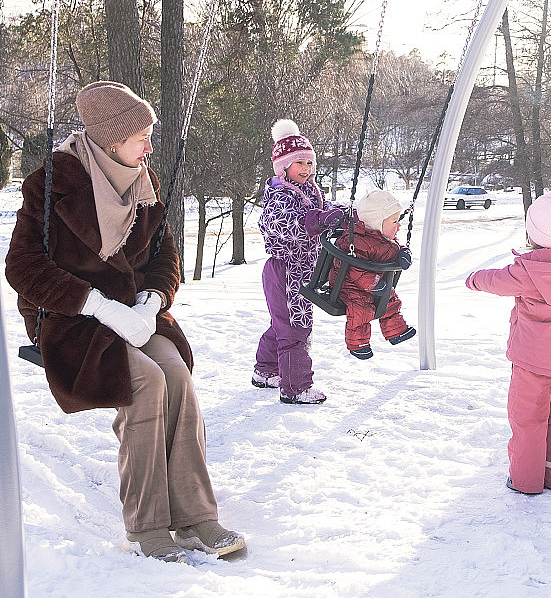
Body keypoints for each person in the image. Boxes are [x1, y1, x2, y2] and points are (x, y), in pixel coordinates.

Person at [5, 81, 244, 563]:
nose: (149, 147)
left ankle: (197, 516)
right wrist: (97, 304)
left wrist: (152, 301)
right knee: (146, 383)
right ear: (111, 140)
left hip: (134, 312)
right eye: (141, 137)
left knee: (176, 376)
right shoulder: (53, 181)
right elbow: (22, 266)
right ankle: (148, 526)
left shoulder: (145, 183)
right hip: (74, 319)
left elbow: (165, 260)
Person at [465, 189, 551, 494]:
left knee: (528, 420)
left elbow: (495, 280)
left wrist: (474, 279)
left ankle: (526, 481)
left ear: (535, 233)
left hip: (534, 362)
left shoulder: (528, 271)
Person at [252, 118, 342, 404]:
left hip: (304, 268)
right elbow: (282, 224)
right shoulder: (279, 195)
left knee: (284, 322)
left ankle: (265, 371)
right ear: (283, 167)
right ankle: (296, 387)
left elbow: (324, 211)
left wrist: (340, 213)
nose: (305, 169)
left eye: (309, 163)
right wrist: (316, 221)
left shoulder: (311, 191)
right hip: (285, 268)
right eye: (299, 163)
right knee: (295, 327)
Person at [328, 190, 416, 360]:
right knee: (361, 309)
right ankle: (358, 344)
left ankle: (395, 331)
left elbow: (395, 249)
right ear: (377, 222)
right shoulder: (357, 241)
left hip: (373, 284)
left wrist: (404, 253)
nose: (399, 226)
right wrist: (373, 283)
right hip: (347, 285)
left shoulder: (383, 238)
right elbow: (353, 269)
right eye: (395, 221)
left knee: (390, 299)